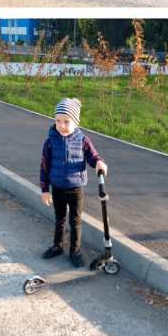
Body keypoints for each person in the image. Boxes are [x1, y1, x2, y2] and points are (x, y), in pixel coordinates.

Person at [39, 98, 108, 268]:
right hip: (57, 187)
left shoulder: (83, 140)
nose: (61, 125)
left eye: (66, 122)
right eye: (58, 121)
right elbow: (44, 166)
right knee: (60, 218)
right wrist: (45, 189)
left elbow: (93, 156)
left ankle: (75, 251)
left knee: (75, 220)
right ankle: (57, 246)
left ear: (76, 122)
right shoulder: (50, 142)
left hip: (76, 188)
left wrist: (99, 162)